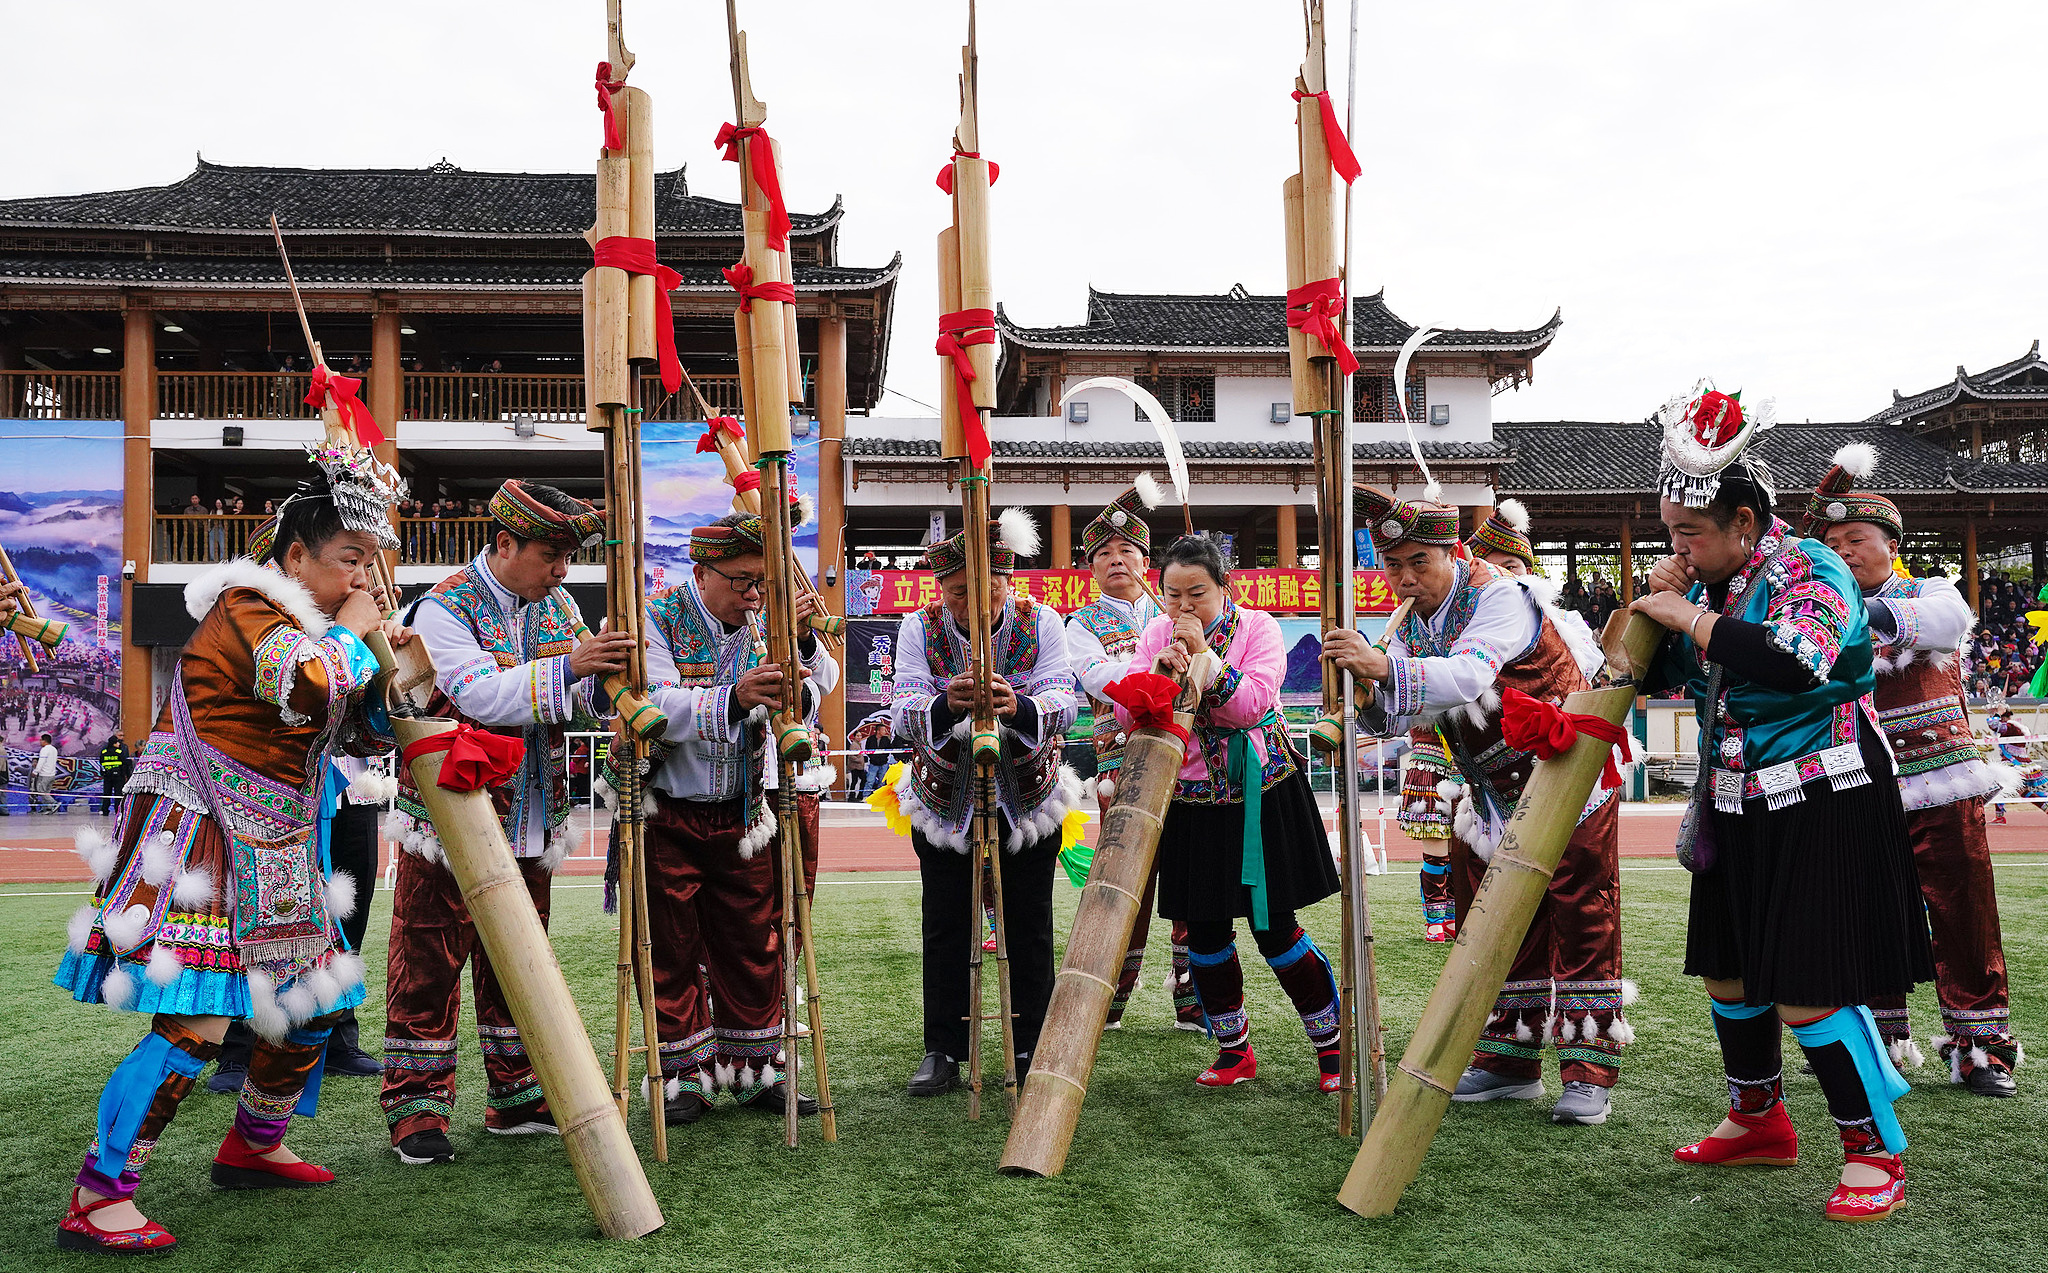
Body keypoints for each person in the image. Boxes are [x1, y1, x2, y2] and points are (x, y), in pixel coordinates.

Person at [50, 464, 401, 1253]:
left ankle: (253, 1144)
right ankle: (98, 1193)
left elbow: (363, 733)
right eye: (349, 556)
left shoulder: (306, 621)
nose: (360, 574)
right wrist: (352, 631)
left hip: (277, 842)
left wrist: (386, 660)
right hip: (205, 833)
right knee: (199, 1021)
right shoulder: (249, 604)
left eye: (367, 561)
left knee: (310, 1005)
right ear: (296, 555)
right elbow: (308, 684)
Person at [1628, 382, 1932, 1221]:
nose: (1679, 545)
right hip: (1734, 801)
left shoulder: (1813, 567)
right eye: (1671, 531)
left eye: (1691, 532)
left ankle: (1875, 1149)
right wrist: (1662, 617)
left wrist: (1685, 614)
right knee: (1728, 971)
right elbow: (1666, 676)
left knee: (1807, 986)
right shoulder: (1711, 583)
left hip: (1826, 794)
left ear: (1746, 525)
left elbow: (1795, 659)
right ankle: (1758, 1117)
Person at [1326, 486, 1624, 1126]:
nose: (1405, 578)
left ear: (1451, 551)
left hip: (1567, 772)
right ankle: (1508, 1063)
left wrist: (1379, 665)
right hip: (1489, 789)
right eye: (1393, 564)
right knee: (1491, 915)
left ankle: (1589, 1069)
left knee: (1580, 912)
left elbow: (1469, 676)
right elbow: (1412, 708)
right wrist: (1368, 689)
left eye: (1418, 562)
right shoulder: (1409, 620)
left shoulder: (1501, 596)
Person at [380, 480, 632, 1165]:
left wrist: (604, 668)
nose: (561, 570)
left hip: (529, 815)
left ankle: (517, 1093)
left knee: (518, 960)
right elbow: (476, 694)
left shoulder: (560, 605)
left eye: (567, 556)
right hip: (451, 819)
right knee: (428, 960)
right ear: (503, 544)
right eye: (551, 553)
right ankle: (416, 1106)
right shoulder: (443, 607)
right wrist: (572, 666)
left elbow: (578, 682)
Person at [1808, 445, 2022, 1096]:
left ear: (1891, 544)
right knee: (1868, 913)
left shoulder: (1928, 593)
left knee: (1963, 910)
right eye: (1834, 542)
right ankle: (1882, 1044)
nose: (1845, 550)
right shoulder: (1817, 613)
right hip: (1858, 783)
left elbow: (1946, 622)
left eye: (1858, 538)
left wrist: (1850, 606)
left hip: (1940, 777)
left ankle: (1981, 1047)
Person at [1111, 535, 1340, 1089]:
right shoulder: (1155, 635)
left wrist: (1209, 665)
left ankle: (1331, 1046)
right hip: (1191, 802)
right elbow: (1129, 719)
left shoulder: (1257, 629)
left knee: (1274, 928)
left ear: (1224, 587)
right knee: (1205, 936)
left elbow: (1252, 705)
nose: (1184, 607)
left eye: (1198, 594)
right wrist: (1159, 677)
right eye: (1172, 595)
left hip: (1261, 794)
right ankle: (1234, 1051)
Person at [633, 510, 838, 1125]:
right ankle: (681, 1079)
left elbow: (823, 679)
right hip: (669, 810)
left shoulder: (765, 621)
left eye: (761, 582)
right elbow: (655, 702)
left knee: (755, 944)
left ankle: (755, 1071)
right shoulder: (655, 616)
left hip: (749, 813)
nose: (753, 594)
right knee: (670, 948)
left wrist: (799, 645)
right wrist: (735, 697)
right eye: (742, 581)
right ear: (702, 571)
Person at [887, 511, 1081, 1097]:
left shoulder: (1041, 620)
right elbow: (903, 707)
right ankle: (943, 1048)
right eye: (957, 592)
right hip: (944, 800)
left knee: (1030, 924)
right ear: (940, 590)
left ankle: (1030, 1045)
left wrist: (1017, 706)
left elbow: (1063, 697)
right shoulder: (918, 629)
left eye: (987, 587)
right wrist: (946, 707)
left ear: (1008, 578)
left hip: (1029, 799)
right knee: (945, 925)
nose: (973, 601)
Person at [1065, 477, 1204, 1031]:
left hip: (1192, 763)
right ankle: (1112, 996)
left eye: (1127, 551)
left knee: (1190, 876)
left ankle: (1192, 998)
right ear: (1090, 570)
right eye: (1103, 554)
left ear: (1147, 561)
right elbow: (1097, 677)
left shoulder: (1178, 615)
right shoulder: (1081, 624)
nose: (1116, 560)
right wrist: (1157, 669)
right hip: (1122, 766)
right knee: (1126, 879)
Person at [96, 735, 131, 817]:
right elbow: (124, 763)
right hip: (118, 777)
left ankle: (105, 810)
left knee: (106, 794)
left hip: (107, 776)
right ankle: (118, 811)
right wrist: (127, 774)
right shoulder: (119, 752)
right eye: (117, 742)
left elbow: (101, 763)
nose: (119, 744)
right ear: (114, 743)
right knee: (118, 794)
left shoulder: (104, 752)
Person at [32, 732, 61, 812]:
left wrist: (35, 771)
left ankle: (54, 803)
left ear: (44, 741)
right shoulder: (54, 749)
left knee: (41, 791)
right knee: (46, 792)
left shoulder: (44, 750)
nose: (40, 742)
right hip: (52, 774)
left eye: (41, 740)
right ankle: (47, 808)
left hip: (44, 774)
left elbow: (41, 761)